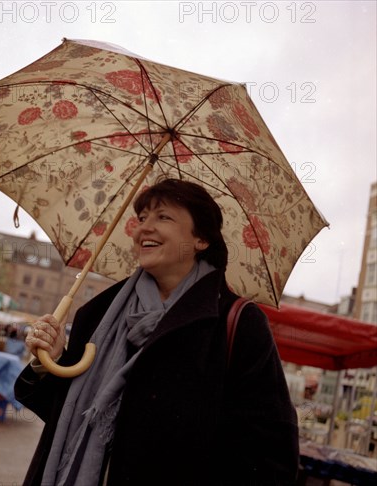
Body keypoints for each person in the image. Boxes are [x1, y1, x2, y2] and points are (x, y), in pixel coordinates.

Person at [15, 179, 299, 486]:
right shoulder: (99, 313)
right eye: (141, 218)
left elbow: (272, 453)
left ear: (201, 239)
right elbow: (62, 417)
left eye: (163, 217)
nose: (143, 229)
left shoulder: (237, 322)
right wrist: (51, 360)